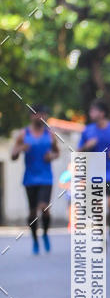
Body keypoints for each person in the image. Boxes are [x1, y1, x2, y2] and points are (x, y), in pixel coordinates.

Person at [78, 100, 110, 247]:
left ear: (102, 113)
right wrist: (87, 146)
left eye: (93, 111)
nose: (91, 114)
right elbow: (78, 151)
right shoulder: (87, 131)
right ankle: (101, 236)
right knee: (98, 208)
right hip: (94, 173)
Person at [11, 104, 59, 254]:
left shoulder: (50, 134)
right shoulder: (23, 135)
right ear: (32, 116)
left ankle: (44, 234)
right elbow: (13, 156)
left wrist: (52, 156)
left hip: (46, 178)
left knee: (44, 207)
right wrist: (20, 149)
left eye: (43, 114)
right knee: (32, 213)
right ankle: (35, 240)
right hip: (30, 179)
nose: (41, 117)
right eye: (38, 114)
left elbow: (57, 152)